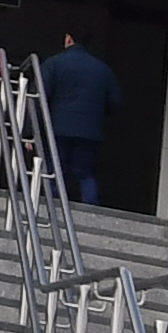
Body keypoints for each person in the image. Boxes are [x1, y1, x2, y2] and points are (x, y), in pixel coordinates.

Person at [35, 25, 125, 213]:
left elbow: (39, 97)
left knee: (55, 170)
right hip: (90, 131)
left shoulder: (53, 64)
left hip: (58, 128)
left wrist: (30, 131)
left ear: (68, 39)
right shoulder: (103, 70)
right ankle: (91, 213)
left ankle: (51, 211)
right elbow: (115, 101)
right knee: (85, 174)